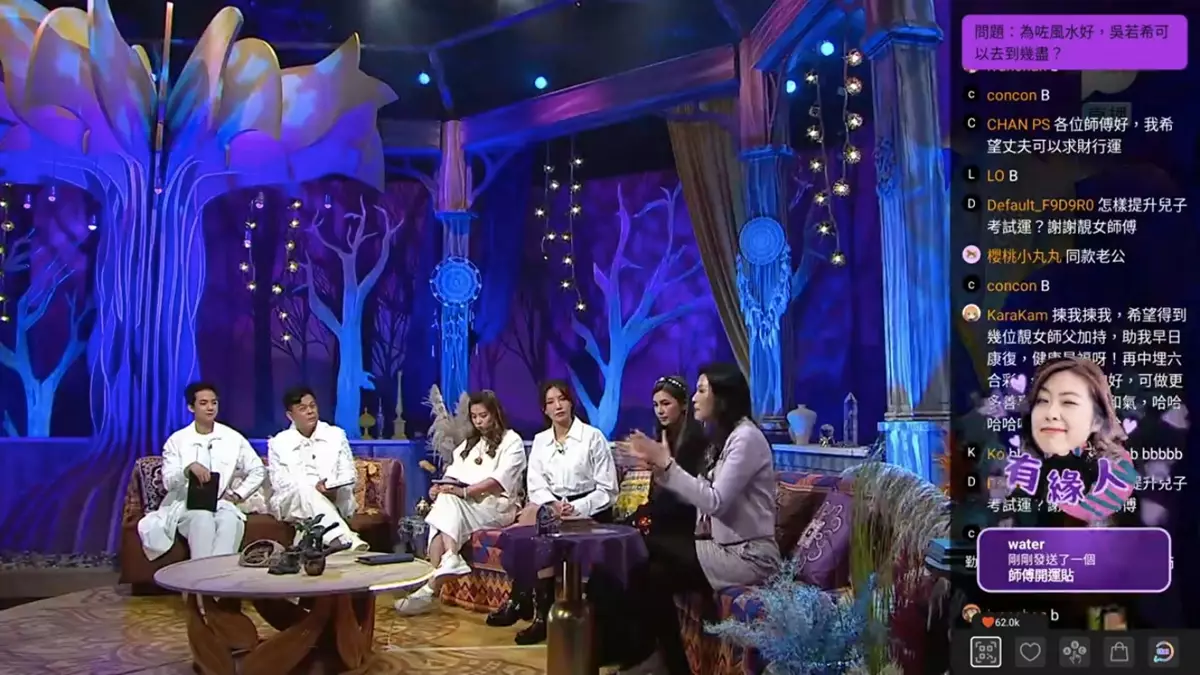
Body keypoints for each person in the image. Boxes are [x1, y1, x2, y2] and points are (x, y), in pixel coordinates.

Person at [613, 363, 781, 674]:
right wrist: (658, 469)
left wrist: (667, 465)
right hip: (722, 548)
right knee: (649, 573)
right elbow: (702, 491)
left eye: (702, 390)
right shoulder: (726, 437)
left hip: (749, 557)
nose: (694, 398)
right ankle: (665, 660)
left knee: (643, 544)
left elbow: (715, 501)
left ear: (722, 397)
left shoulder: (746, 438)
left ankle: (661, 660)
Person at [486, 379, 619, 645]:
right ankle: (527, 605)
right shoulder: (541, 440)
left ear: (571, 402)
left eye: (562, 399)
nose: (557, 406)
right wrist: (553, 505)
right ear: (544, 409)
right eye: (550, 402)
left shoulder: (593, 437)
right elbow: (535, 484)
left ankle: (535, 612)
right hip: (552, 508)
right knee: (528, 533)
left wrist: (576, 508)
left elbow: (608, 489)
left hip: (590, 509)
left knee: (544, 536)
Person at [395, 391, 527, 615]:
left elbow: (498, 481)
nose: (478, 421)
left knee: (447, 505)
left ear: (495, 414)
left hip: (497, 507)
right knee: (443, 510)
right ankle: (440, 574)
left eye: (483, 416)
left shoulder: (512, 441)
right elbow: (451, 475)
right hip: (467, 505)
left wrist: (463, 492)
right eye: (474, 417)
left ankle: (431, 584)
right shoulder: (470, 444)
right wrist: (439, 488)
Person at [138, 382, 265, 560]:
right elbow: (168, 482)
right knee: (202, 518)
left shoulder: (232, 438)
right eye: (203, 403)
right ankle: (201, 574)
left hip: (221, 502)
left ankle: (217, 575)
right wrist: (187, 470)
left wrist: (238, 494)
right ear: (191, 407)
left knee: (230, 520)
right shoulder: (178, 440)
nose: (210, 408)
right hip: (186, 504)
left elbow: (257, 469)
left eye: (214, 402)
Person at [267, 385, 368, 552]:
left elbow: (349, 474)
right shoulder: (279, 443)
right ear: (290, 416)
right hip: (292, 501)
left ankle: (318, 543)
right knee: (304, 490)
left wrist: (331, 487)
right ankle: (344, 538)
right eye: (302, 408)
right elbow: (281, 484)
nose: (310, 411)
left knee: (310, 505)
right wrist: (314, 491)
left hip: (335, 497)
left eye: (312, 406)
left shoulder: (335, 435)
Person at [623, 375, 708, 537]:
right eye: (656, 405)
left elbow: (689, 494)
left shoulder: (697, 441)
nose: (660, 411)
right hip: (663, 514)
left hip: (686, 521)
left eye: (666, 404)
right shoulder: (662, 436)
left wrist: (664, 466)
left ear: (684, 405)